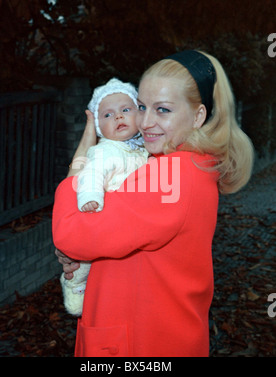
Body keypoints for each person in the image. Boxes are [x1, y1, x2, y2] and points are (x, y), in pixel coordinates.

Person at [53, 50, 254, 357]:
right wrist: (80, 248)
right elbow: (90, 236)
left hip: (142, 343)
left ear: (199, 115)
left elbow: (70, 231)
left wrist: (82, 156)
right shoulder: (192, 165)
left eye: (162, 110)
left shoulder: (171, 174)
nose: (145, 122)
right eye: (142, 106)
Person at [60, 78, 149, 317]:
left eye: (125, 110)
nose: (118, 117)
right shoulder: (103, 151)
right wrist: (90, 197)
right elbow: (90, 174)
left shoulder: (145, 148)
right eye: (108, 115)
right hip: (99, 212)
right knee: (83, 257)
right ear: (99, 127)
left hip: (127, 229)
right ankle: (74, 284)